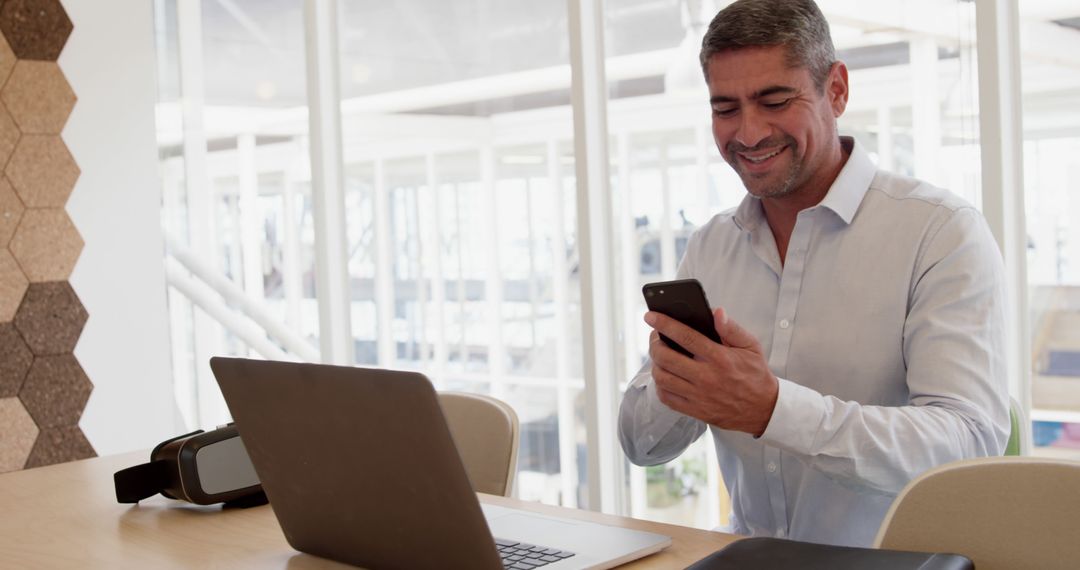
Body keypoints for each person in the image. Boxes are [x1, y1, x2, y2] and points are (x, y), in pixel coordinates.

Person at [617, 0, 1009, 548]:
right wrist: (680, 379)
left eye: (775, 100)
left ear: (838, 91)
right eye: (725, 108)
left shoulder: (941, 233)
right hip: (747, 559)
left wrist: (772, 409)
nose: (748, 133)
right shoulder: (712, 246)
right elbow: (642, 446)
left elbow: (969, 448)